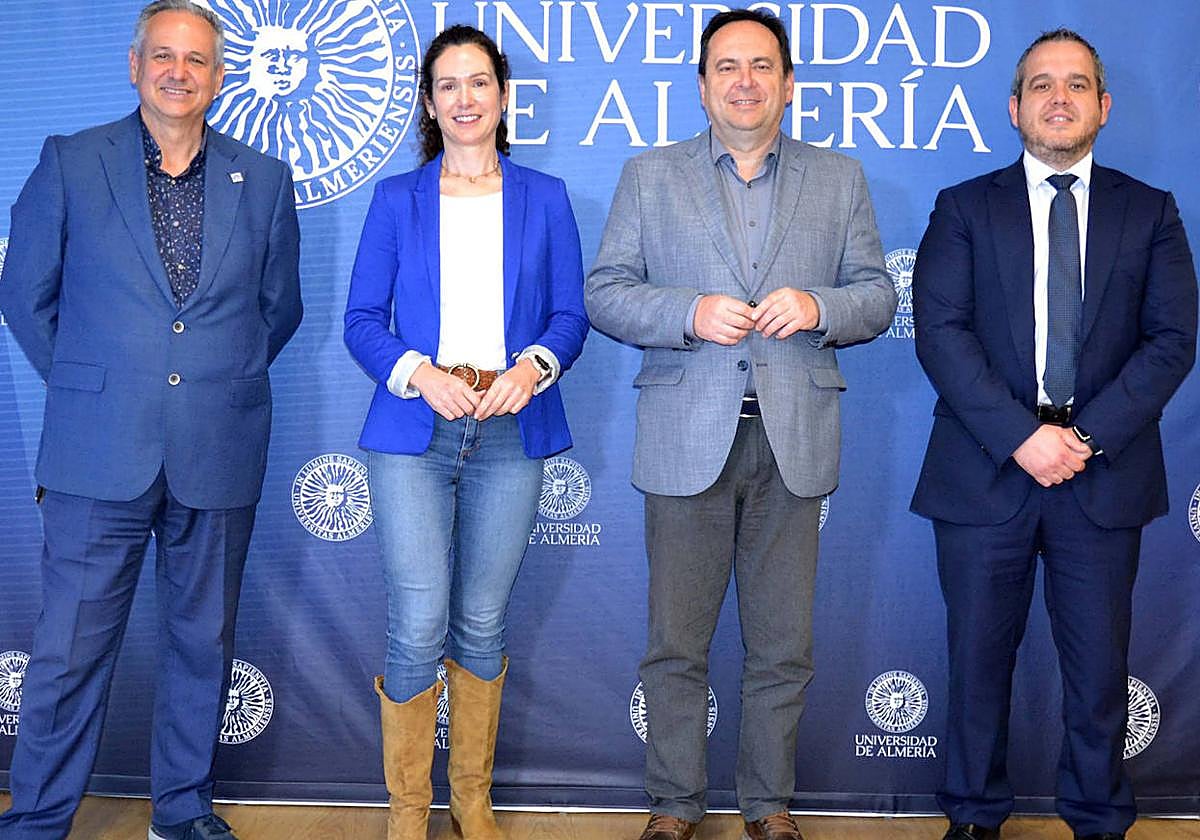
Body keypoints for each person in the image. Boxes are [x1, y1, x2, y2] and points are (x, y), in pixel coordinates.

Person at [585, 9, 896, 840]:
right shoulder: (650, 176)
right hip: (687, 440)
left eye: (762, 66)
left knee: (783, 649)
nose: (746, 82)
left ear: (789, 84)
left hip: (793, 443)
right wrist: (688, 310)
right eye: (728, 67)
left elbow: (878, 295)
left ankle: (770, 808)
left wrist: (819, 305)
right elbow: (606, 290)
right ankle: (673, 808)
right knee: (675, 649)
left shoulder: (840, 178)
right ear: (702, 85)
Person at [0, 1, 303, 838]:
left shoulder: (265, 179)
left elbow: (276, 311)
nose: (179, 72)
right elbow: (26, 295)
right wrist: (98, 384)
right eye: (163, 56)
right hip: (97, 453)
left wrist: (205, 381)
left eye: (197, 60)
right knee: (66, 655)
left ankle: (181, 811)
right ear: (134, 66)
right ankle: (36, 821)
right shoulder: (70, 161)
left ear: (219, 77)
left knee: (202, 647)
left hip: (218, 445)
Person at [911, 28, 1196, 840]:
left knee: (1098, 673)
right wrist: (1021, 438)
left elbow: (1173, 338)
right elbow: (942, 331)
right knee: (975, 667)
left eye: (1076, 84)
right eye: (1041, 85)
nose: (1059, 97)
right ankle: (972, 819)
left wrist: (1086, 435)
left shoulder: (1152, 212)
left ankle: (1100, 820)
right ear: (1014, 108)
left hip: (1102, 476)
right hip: (985, 471)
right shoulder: (964, 207)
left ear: (1103, 107)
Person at [342, 24, 588, 840]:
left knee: (482, 620)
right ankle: (408, 812)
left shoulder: (546, 197)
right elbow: (361, 322)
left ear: (503, 94)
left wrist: (535, 367)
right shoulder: (393, 200)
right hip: (413, 430)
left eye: (478, 82)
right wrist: (421, 372)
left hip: (512, 429)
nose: (464, 98)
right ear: (428, 102)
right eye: (447, 85)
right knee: (417, 619)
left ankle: (470, 802)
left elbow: (569, 315)